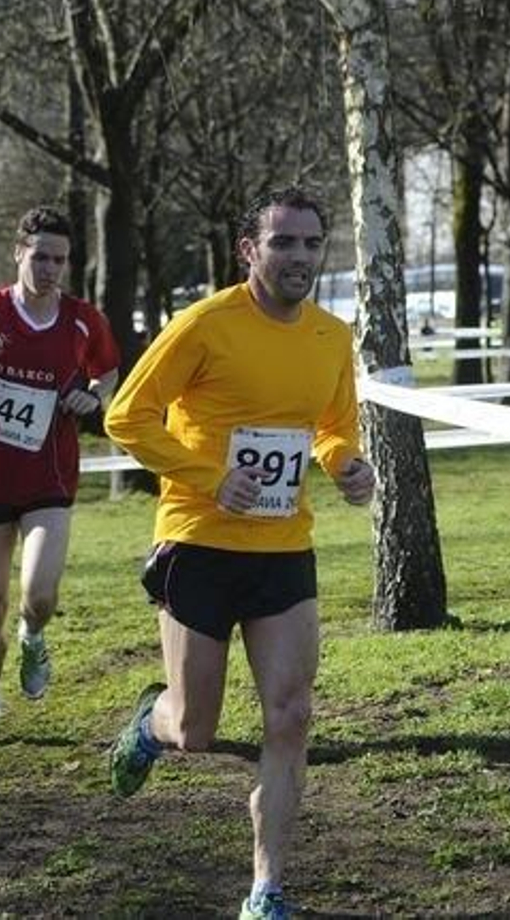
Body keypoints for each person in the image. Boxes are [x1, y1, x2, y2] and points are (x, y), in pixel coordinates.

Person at [103, 188, 375, 920]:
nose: (300, 257)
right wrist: (211, 476)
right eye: (283, 242)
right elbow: (125, 415)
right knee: (196, 729)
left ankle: (266, 889)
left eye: (313, 244)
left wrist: (347, 463)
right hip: (199, 541)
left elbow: (331, 424)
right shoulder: (204, 325)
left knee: (290, 714)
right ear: (249, 250)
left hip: (284, 548)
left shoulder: (330, 335)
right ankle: (148, 725)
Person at [0, 208, 120, 752]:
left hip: (49, 478)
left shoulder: (83, 320)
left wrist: (94, 395)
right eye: (40, 257)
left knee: (39, 595)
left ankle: (34, 636)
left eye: (60, 259)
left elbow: (107, 369)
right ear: (19, 253)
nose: (51, 268)